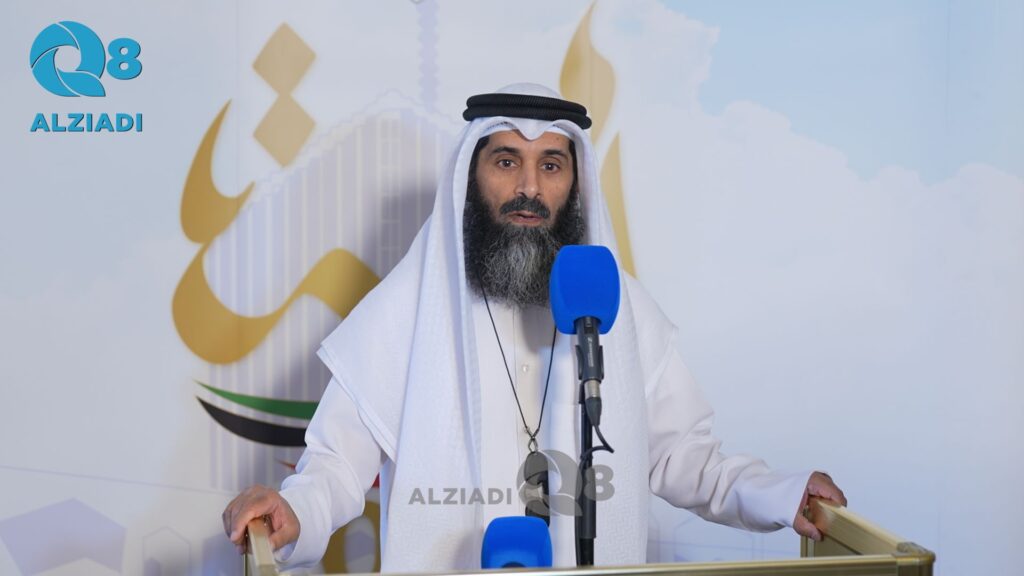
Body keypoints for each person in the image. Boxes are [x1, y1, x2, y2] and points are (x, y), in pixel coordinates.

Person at [223, 83, 846, 571]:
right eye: (506, 161)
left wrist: (779, 494)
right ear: (471, 176)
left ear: (574, 183)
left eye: (551, 165)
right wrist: (293, 509)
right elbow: (336, 465)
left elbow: (684, 457)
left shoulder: (615, 304)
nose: (529, 187)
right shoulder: (409, 305)